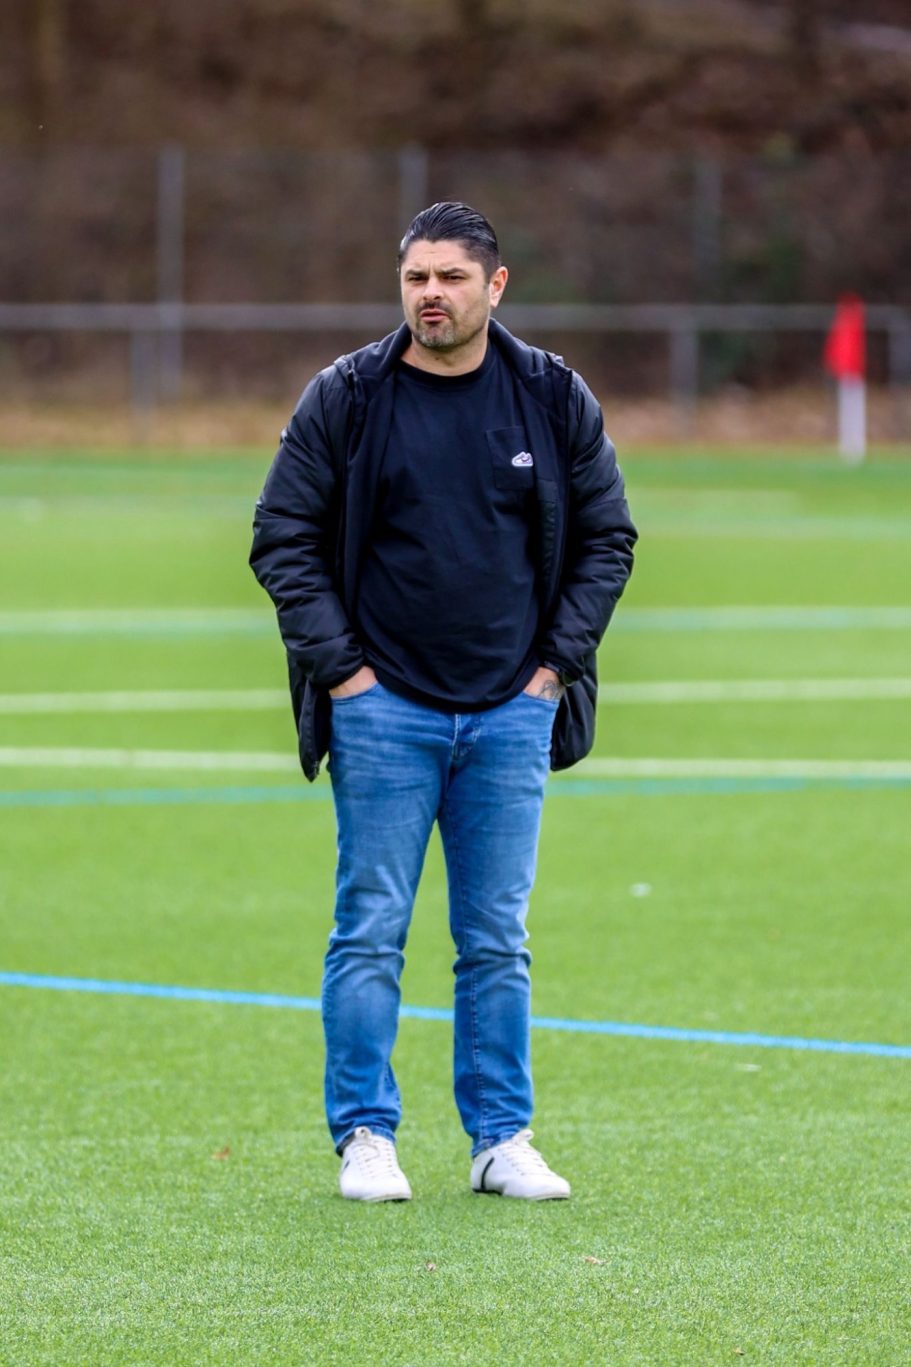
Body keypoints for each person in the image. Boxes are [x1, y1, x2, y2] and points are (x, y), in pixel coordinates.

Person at [250, 202, 637, 1203]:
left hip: (512, 709)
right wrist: (344, 674)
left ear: (492, 285)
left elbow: (607, 535)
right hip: (383, 710)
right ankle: (365, 1135)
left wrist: (552, 668)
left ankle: (500, 1137)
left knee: (495, 937)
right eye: (416, 277)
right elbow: (281, 534)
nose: (431, 294)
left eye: (451, 278)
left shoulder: (549, 395)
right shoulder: (347, 395)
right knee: (370, 925)